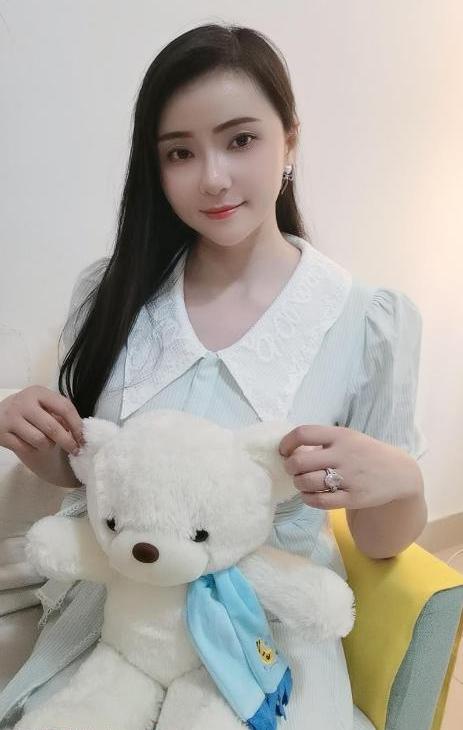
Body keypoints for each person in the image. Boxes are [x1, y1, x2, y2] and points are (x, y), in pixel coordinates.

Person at [0, 22, 428, 730]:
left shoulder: (368, 321)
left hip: (265, 637)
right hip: (120, 616)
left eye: (240, 140)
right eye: (180, 152)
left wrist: (402, 481)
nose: (213, 178)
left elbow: (380, 542)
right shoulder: (110, 291)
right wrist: (33, 432)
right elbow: (89, 477)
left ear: (289, 141)